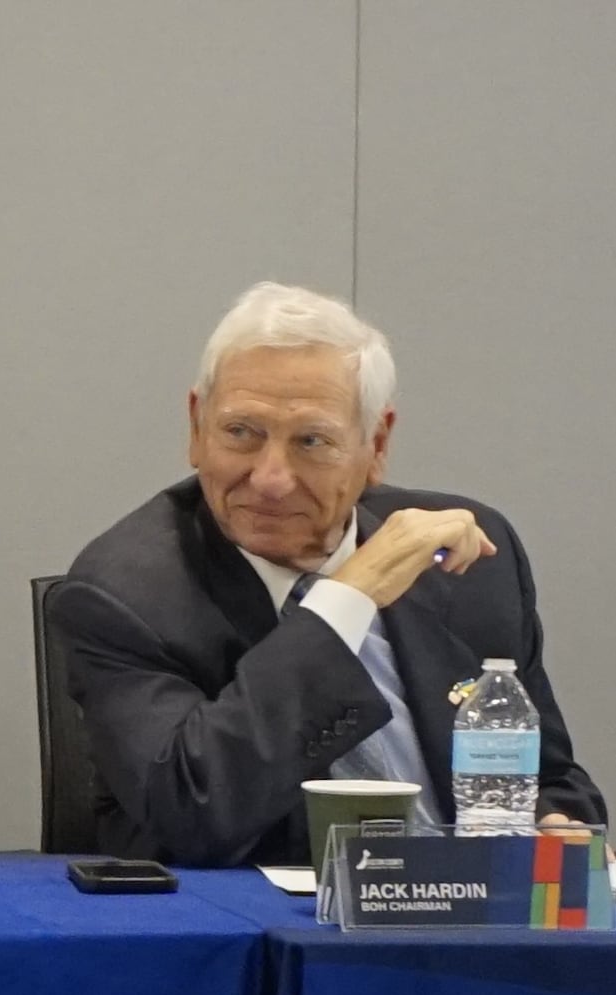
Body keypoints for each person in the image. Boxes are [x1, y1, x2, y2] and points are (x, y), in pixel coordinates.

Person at [53, 281, 601, 867]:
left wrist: (552, 823)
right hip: (262, 913)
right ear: (196, 426)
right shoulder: (124, 595)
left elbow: (549, 776)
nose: (270, 479)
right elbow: (196, 807)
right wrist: (344, 602)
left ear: (377, 444)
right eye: (241, 433)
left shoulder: (470, 561)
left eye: (311, 441)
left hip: (471, 903)